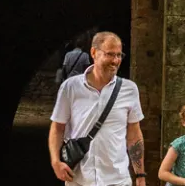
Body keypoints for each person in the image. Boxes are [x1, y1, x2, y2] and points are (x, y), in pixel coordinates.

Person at [49, 32, 148, 186]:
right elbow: (58, 127)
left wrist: (140, 175)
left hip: (117, 179)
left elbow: (134, 134)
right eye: (110, 54)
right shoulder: (70, 87)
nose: (115, 61)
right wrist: (56, 162)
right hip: (79, 178)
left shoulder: (130, 89)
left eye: (119, 55)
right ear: (94, 53)